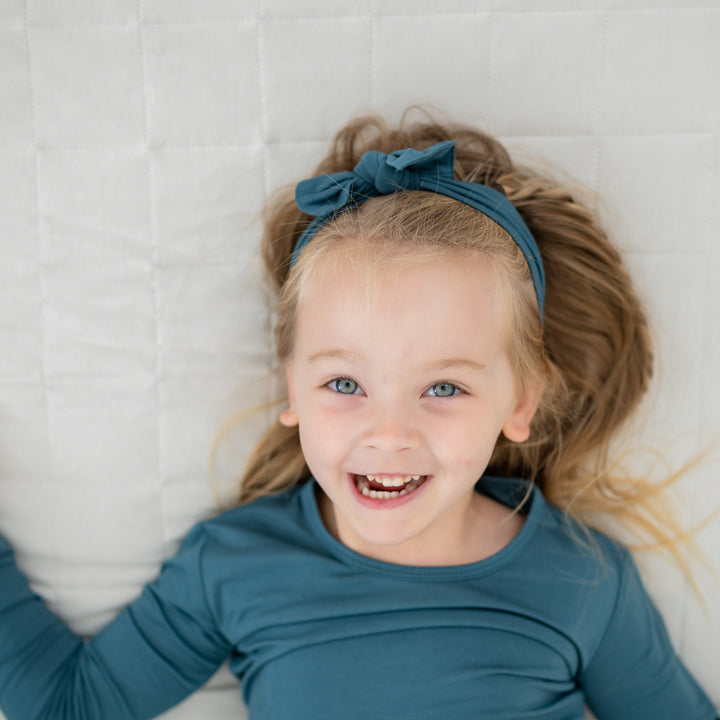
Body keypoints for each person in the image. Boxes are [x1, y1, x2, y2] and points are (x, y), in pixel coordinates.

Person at [0, 111, 717, 720]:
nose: (388, 433)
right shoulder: (234, 567)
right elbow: (70, 705)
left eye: (443, 388)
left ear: (522, 401)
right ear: (291, 387)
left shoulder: (582, 578)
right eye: (345, 382)